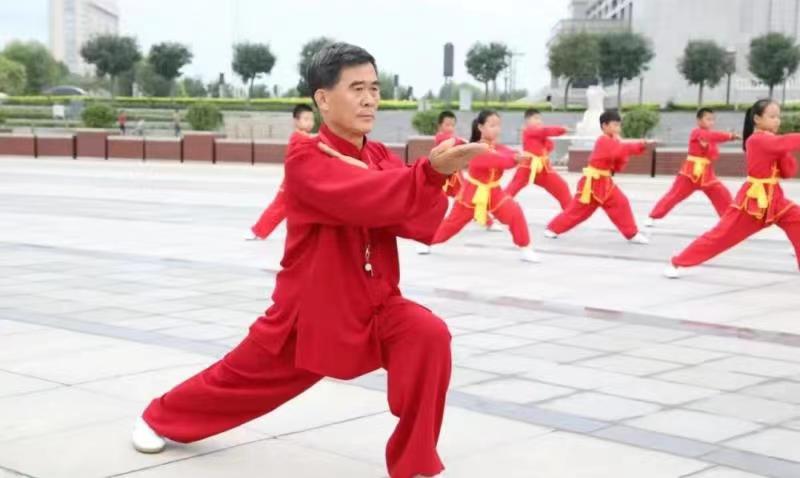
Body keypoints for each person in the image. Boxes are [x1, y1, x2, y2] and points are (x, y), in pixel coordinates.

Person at [131, 42, 487, 478]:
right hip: (313, 312)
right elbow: (367, 199)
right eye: (356, 88)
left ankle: (414, 465)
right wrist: (427, 174)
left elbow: (414, 220)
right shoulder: (306, 157)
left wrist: (435, 177)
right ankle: (158, 417)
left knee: (428, 335)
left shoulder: (378, 155)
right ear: (323, 98)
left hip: (377, 304)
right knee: (237, 383)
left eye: (374, 88)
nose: (370, 99)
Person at [665, 99, 800, 278]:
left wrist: (783, 153)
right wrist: (781, 147)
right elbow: (783, 142)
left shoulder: (775, 142)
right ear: (757, 119)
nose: (777, 121)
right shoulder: (755, 140)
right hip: (752, 204)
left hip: (776, 200)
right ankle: (678, 262)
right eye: (772, 116)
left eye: (778, 117)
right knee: (721, 236)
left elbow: (788, 172)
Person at [425, 110, 540, 263]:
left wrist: (516, 155)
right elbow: (498, 160)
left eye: (498, 125)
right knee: (451, 225)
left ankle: (525, 248)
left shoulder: (495, 146)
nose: (496, 129)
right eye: (492, 125)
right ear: (480, 127)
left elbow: (504, 151)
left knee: (515, 212)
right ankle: (426, 241)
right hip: (472, 194)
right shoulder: (476, 149)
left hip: (494, 192)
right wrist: (514, 159)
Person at [544, 110, 652, 244]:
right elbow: (619, 150)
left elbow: (619, 156)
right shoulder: (603, 140)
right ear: (604, 126)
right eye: (614, 125)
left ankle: (632, 234)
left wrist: (627, 152)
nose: (617, 128)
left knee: (621, 203)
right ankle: (552, 228)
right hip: (592, 184)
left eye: (619, 125)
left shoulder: (613, 140)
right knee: (577, 211)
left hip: (605, 182)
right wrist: (639, 145)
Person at [647, 108, 740, 226]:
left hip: (707, 176)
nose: (711, 122)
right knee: (674, 195)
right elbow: (709, 136)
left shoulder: (712, 138)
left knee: (722, 194)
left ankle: (730, 221)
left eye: (712, 119)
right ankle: (653, 217)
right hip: (689, 175)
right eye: (708, 119)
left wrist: (707, 147)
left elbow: (712, 152)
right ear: (699, 121)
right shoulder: (697, 132)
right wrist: (730, 136)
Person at [247, 104, 315, 241]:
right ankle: (258, 231)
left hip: (304, 182)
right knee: (279, 207)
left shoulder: (306, 138)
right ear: (296, 121)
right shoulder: (298, 138)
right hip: (293, 182)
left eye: (311, 119)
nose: (310, 122)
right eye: (306, 119)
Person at [504, 108, 572, 209]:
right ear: (527, 121)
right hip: (527, 167)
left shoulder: (539, 135)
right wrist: (561, 130)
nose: (539, 121)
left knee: (561, 187)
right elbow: (544, 131)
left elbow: (549, 145)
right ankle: (496, 208)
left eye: (540, 119)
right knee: (511, 190)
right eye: (535, 118)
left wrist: (545, 143)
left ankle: (570, 211)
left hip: (543, 169)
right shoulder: (528, 131)